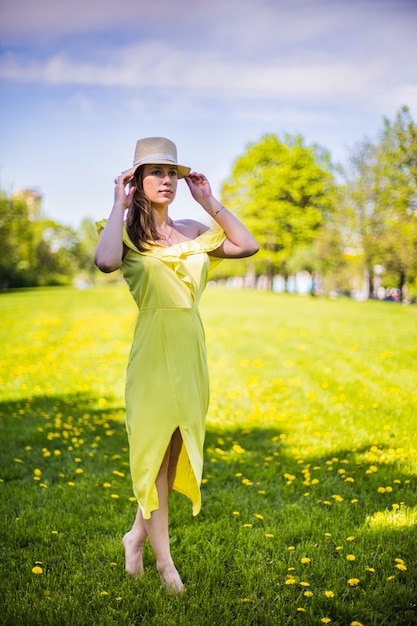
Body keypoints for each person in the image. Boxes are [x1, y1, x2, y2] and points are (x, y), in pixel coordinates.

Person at [95, 137, 258, 593]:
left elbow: (247, 245)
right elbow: (105, 261)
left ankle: (135, 538)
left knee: (171, 454)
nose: (167, 181)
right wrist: (117, 205)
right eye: (156, 173)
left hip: (191, 352)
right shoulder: (124, 233)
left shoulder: (192, 230)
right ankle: (166, 566)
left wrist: (209, 201)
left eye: (172, 173)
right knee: (152, 456)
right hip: (151, 353)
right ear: (136, 180)